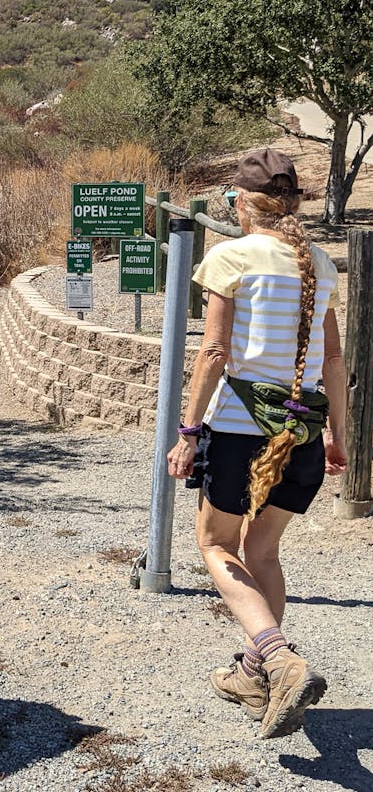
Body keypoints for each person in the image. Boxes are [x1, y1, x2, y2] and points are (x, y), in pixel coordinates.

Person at [166, 147, 347, 740]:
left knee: (216, 547)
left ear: (242, 202)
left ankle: (278, 657)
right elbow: (334, 358)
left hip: (241, 430)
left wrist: (189, 432)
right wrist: (338, 436)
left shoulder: (231, 257)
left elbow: (214, 353)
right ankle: (253, 672)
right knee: (263, 552)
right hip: (302, 435)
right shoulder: (319, 261)